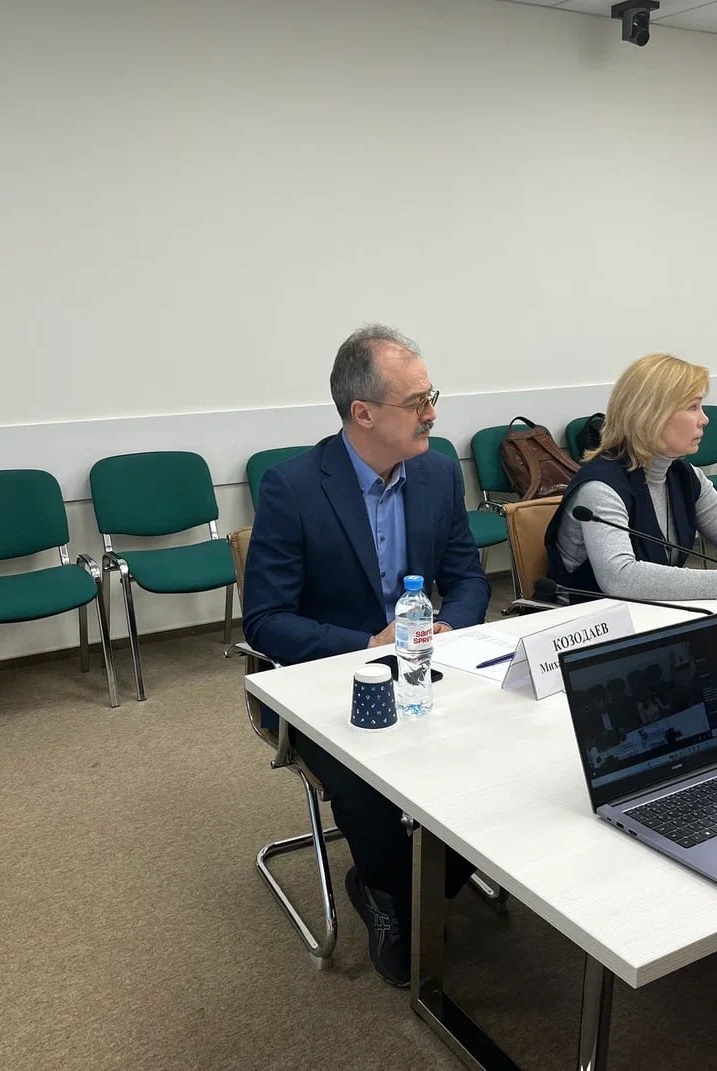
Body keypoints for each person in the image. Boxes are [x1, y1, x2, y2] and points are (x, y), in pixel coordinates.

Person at [243, 324, 491, 987]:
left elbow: (468, 578)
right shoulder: (293, 486)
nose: (432, 413)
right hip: (327, 680)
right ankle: (387, 892)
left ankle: (415, 884)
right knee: (367, 784)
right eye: (416, 401)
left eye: (431, 395)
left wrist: (450, 628)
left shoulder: (437, 472)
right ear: (363, 413)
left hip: (429, 662)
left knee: (502, 747)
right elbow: (266, 621)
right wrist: (368, 644)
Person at [545, 353, 717, 601]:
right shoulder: (600, 487)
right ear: (650, 415)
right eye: (693, 407)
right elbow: (619, 577)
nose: (704, 419)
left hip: (652, 614)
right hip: (590, 619)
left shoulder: (684, 475)